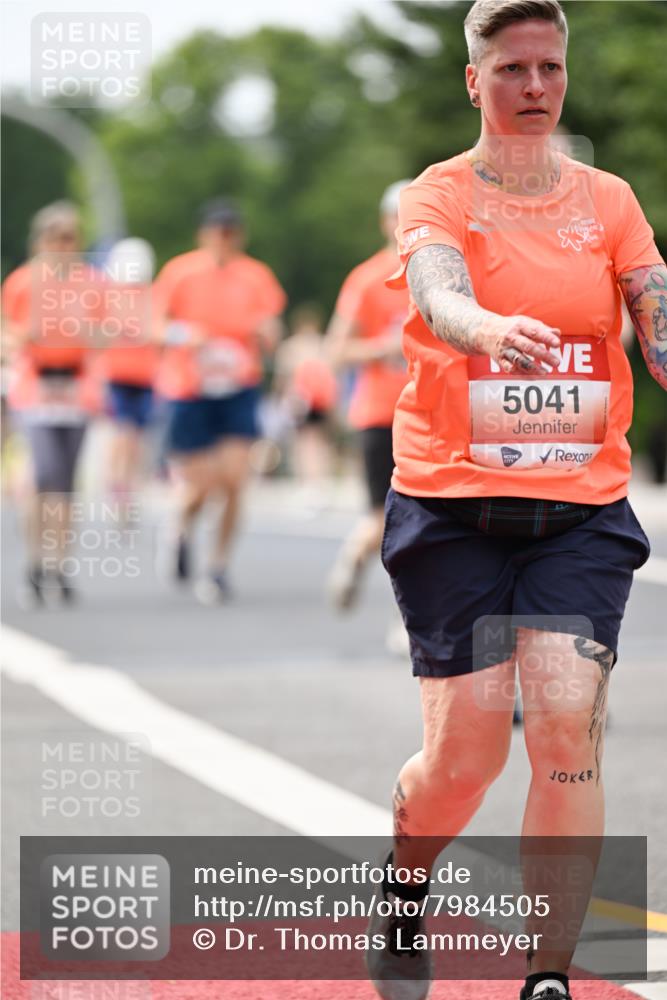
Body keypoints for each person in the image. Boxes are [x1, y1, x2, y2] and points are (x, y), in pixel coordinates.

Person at [365, 3, 666, 1000]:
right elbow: (437, 293)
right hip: (452, 505)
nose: (534, 86)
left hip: (575, 511)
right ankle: (406, 885)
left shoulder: (609, 200)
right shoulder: (440, 194)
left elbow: (654, 315)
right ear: (474, 81)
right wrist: (484, 328)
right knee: (462, 762)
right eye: (511, 70)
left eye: (549, 67)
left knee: (562, 733)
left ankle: (547, 976)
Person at [154, 199, 286, 603]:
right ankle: (179, 529)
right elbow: (151, 325)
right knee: (201, 485)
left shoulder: (256, 275)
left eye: (231, 232)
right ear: (204, 234)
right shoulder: (180, 272)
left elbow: (273, 326)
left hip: (237, 387)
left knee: (234, 480)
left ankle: (217, 567)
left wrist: (267, 331)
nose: (224, 239)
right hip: (191, 389)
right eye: (217, 231)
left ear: (239, 235)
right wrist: (183, 335)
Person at [2, 201, 104, 604]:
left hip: (76, 387)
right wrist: (28, 335)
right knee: (42, 475)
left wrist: (85, 332)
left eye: (70, 237)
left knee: (64, 483)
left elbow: (109, 334)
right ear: (40, 241)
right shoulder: (23, 283)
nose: (63, 245)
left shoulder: (92, 282)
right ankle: (34, 560)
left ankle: (58, 565)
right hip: (36, 388)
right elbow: (6, 336)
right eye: (55, 237)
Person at [326, 180, 411, 611]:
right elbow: (336, 350)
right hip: (381, 414)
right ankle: (354, 557)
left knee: (431, 525)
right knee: (383, 519)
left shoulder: (454, 270)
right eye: (400, 215)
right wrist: (385, 345)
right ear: (386, 222)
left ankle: (413, 624)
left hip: (437, 416)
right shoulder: (367, 278)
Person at [100, 237, 159, 500]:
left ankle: (129, 481)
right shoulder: (107, 296)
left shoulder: (153, 296)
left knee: (137, 434)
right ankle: (116, 481)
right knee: (123, 429)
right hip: (116, 374)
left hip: (145, 375)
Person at [273, 304, 338, 506]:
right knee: (321, 441)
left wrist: (279, 398)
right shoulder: (324, 345)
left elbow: (283, 378)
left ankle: (309, 482)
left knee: (303, 442)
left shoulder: (291, 347)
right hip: (323, 400)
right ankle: (321, 481)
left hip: (301, 400)